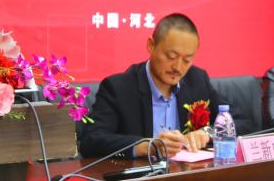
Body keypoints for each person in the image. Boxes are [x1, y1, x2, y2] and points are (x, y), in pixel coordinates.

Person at [79, 14, 221, 158]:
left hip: (188, 171)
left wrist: (207, 133)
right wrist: (147, 146)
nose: (178, 67)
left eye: (187, 60)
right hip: (142, 172)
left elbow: (233, 119)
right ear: (151, 45)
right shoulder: (118, 88)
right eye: (171, 56)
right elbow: (91, 141)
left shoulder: (197, 80)